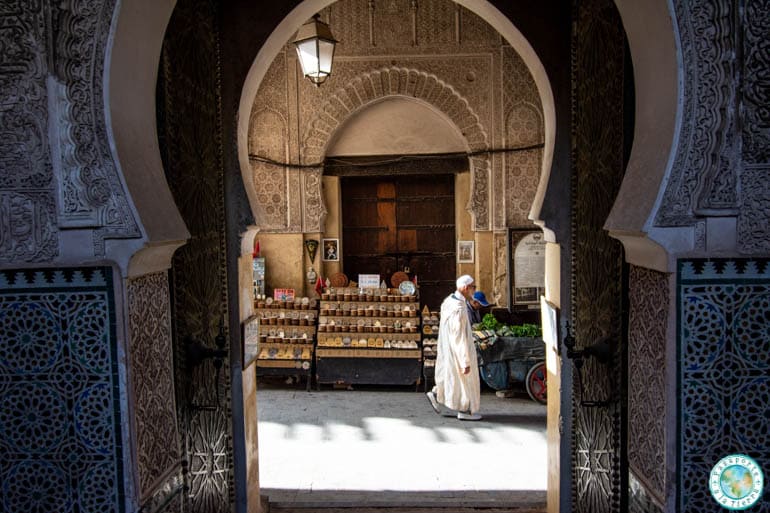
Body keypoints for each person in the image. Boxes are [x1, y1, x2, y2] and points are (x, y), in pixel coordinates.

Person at [426, 275, 482, 421]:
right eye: (473, 287)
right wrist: (464, 361)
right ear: (465, 288)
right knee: (464, 380)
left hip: (449, 349)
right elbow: (458, 336)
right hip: (458, 350)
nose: (474, 290)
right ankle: (464, 410)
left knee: (451, 377)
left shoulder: (449, 301)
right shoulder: (458, 308)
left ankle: (437, 394)